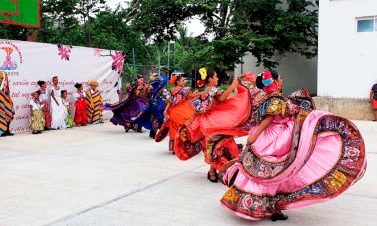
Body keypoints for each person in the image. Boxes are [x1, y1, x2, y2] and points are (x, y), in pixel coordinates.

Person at [219, 70, 367, 221]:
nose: (282, 80)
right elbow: (269, 118)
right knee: (273, 175)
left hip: (270, 135)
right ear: (275, 81)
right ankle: (265, 207)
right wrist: (254, 137)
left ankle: (271, 208)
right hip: (275, 137)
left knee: (276, 174)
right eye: (280, 78)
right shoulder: (275, 98)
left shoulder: (267, 96)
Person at [173, 68, 256, 183]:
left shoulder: (210, 90)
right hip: (212, 124)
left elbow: (216, 101)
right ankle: (217, 171)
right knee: (218, 147)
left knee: (219, 147)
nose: (217, 79)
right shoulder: (211, 90)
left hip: (215, 122)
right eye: (216, 77)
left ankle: (216, 171)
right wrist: (233, 84)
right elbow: (219, 99)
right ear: (210, 79)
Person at [155, 74, 201, 152]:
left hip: (173, 112)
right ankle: (186, 146)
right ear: (178, 81)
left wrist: (166, 110)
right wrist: (201, 93)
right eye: (183, 81)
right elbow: (190, 96)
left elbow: (170, 101)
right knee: (189, 126)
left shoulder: (172, 90)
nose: (184, 82)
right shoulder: (184, 90)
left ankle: (174, 148)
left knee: (174, 129)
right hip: (183, 111)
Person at [132, 73, 168, 138]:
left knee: (155, 117)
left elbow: (148, 95)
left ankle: (154, 131)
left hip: (154, 104)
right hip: (155, 104)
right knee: (156, 117)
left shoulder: (151, 86)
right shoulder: (154, 86)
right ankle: (154, 131)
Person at [0, 70, 14, 136]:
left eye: (1, 78)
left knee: (8, 115)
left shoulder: (5, 88)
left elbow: (7, 96)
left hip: (6, 105)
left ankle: (6, 131)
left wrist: (10, 103)